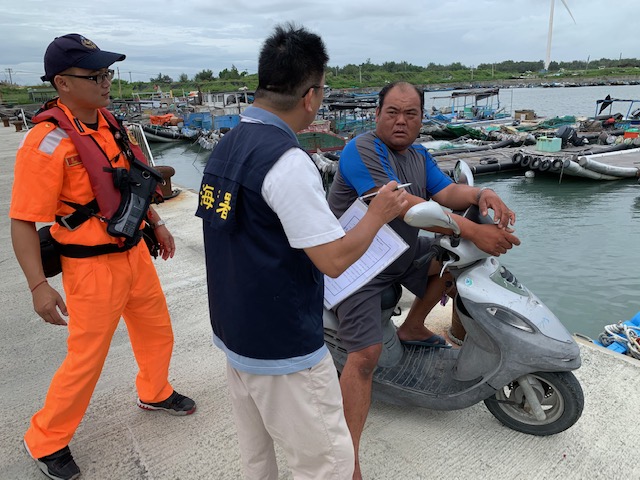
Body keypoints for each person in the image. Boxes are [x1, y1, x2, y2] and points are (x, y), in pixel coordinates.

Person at [195, 24, 408, 480]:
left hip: (236, 335)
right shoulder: (287, 161)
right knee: (326, 465)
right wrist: (378, 213)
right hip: (283, 347)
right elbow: (332, 260)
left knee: (258, 460)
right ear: (311, 95)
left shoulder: (226, 147)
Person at [10, 34, 195, 480]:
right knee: (86, 358)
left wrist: (158, 223)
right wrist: (39, 286)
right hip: (89, 268)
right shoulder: (46, 142)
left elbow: (129, 185)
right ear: (62, 83)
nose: (105, 82)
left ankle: (154, 390)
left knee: (156, 332)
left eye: (107, 73)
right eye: (94, 75)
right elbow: (21, 221)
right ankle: (46, 438)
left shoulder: (109, 123)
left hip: (133, 254)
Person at [327, 81, 520, 479]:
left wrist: (481, 192)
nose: (401, 121)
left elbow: (446, 190)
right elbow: (399, 204)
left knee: (451, 265)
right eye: (392, 113)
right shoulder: (361, 149)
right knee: (364, 358)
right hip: (356, 266)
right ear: (377, 114)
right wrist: (472, 230)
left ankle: (413, 327)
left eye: (410, 114)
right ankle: (348, 462)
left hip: (397, 254)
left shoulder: (416, 154)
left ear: (421, 118)